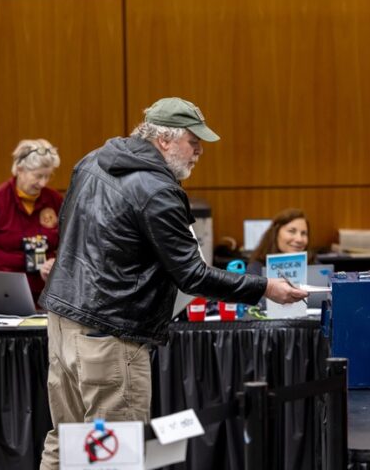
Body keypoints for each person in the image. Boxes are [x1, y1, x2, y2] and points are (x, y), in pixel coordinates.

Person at [38, 97, 307, 469]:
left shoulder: (93, 160)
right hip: (111, 334)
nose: (199, 150)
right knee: (111, 453)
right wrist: (264, 288)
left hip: (62, 320)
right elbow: (192, 274)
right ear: (164, 139)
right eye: (192, 140)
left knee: (65, 440)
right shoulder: (156, 190)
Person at [0, 139, 62, 312]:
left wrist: (55, 262)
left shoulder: (54, 200)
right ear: (19, 169)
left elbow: (70, 246)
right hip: (1, 297)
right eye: (38, 176)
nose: (43, 183)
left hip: (46, 296)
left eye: (48, 175)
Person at [247, 208, 311, 276]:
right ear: (275, 233)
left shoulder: (315, 265)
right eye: (292, 231)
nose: (299, 239)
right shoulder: (256, 269)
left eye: (303, 233)